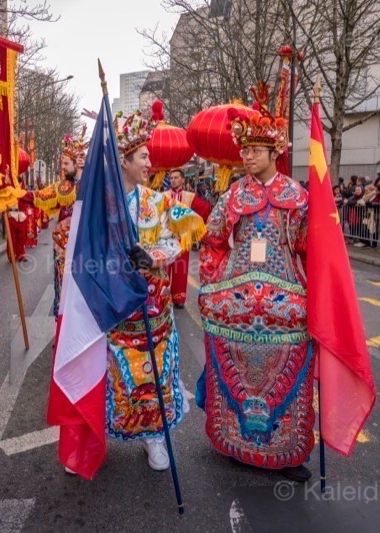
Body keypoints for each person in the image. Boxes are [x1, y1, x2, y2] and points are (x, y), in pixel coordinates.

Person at [197, 87, 314, 483]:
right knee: (237, 377)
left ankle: (285, 454)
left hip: (286, 303)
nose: (246, 156)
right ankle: (237, 444)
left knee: (289, 381)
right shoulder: (233, 196)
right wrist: (213, 284)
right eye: (243, 150)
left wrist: (316, 290)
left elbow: (309, 249)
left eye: (254, 150)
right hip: (237, 305)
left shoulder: (297, 198)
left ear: (273, 152)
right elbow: (212, 241)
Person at [105, 110, 206, 471]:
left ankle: (155, 437)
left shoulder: (159, 202)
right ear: (124, 161)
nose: (150, 162)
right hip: (115, 314)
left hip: (153, 311)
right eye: (143, 156)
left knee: (155, 374)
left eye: (148, 155)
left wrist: (153, 255)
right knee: (116, 377)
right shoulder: (103, 206)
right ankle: (91, 438)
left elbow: (183, 236)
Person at [27, 128, 88, 318]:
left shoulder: (89, 183)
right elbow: (40, 195)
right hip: (62, 249)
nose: (62, 167)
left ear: (77, 164)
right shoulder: (63, 187)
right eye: (62, 163)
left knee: (82, 292)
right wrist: (16, 194)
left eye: (65, 163)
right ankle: (62, 328)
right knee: (62, 287)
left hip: (85, 249)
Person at [164, 168, 211, 308]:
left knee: (180, 269)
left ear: (183, 180)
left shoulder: (190, 196)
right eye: (171, 178)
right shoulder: (163, 195)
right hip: (165, 238)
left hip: (183, 239)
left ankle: (178, 298)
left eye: (176, 177)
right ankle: (163, 296)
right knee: (164, 269)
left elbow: (204, 210)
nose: (173, 180)